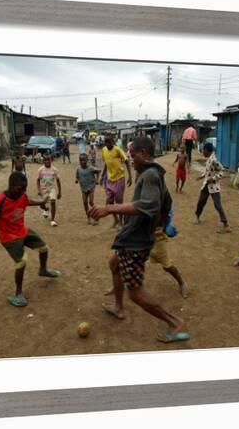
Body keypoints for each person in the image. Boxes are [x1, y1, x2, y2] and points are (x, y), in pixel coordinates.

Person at [89, 136, 190, 344]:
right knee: (113, 263)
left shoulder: (151, 175)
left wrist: (109, 208)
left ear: (143, 153)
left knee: (135, 293)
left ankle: (175, 322)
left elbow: (149, 205)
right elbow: (165, 205)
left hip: (135, 242)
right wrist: (155, 227)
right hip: (136, 237)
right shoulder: (154, 174)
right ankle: (118, 307)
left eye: (132, 155)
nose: (130, 158)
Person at [0, 172, 60, 307]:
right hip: (8, 237)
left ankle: (43, 270)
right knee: (21, 261)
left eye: (25, 188)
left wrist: (41, 203)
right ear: (11, 186)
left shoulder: (22, 195)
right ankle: (18, 294)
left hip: (22, 231)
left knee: (43, 248)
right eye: (20, 188)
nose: (23, 191)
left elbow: (27, 201)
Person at [194, 142, 232, 233]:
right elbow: (208, 171)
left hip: (214, 186)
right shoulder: (209, 159)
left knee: (217, 205)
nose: (203, 151)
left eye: (203, 150)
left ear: (207, 150)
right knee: (201, 201)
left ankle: (226, 225)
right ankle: (197, 216)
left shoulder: (214, 160)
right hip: (207, 185)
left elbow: (222, 171)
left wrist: (213, 178)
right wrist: (202, 176)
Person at [100, 135, 133, 228]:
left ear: (113, 142)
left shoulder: (117, 150)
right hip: (110, 179)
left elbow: (126, 161)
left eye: (109, 142)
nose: (108, 144)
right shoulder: (104, 150)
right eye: (106, 142)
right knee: (108, 202)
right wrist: (102, 176)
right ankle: (116, 220)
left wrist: (130, 176)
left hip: (119, 178)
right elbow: (106, 164)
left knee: (119, 202)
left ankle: (121, 222)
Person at [75, 153, 101, 225]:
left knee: (91, 202)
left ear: (87, 160)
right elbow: (77, 176)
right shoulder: (78, 169)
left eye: (84, 160)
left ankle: (96, 215)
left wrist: (97, 180)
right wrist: (77, 180)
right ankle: (88, 217)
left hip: (91, 187)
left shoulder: (91, 168)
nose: (82, 162)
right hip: (83, 188)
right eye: (81, 160)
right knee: (84, 202)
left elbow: (98, 171)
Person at [37, 154, 61, 227]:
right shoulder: (40, 170)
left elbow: (58, 181)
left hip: (51, 188)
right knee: (42, 204)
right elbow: (38, 180)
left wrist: (60, 191)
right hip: (44, 189)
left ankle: (52, 220)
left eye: (48, 160)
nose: (47, 161)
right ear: (43, 161)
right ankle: (46, 209)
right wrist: (39, 190)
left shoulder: (54, 169)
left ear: (51, 160)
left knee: (53, 201)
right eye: (45, 160)